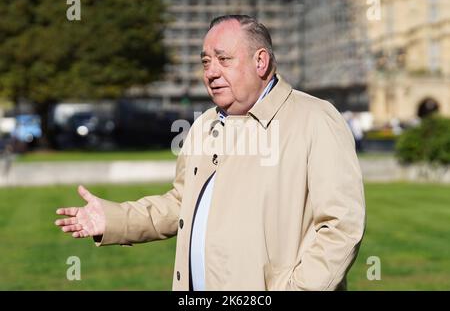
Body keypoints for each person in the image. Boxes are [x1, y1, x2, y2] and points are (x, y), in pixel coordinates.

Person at [55, 15, 365, 291]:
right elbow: (181, 202)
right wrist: (113, 219)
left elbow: (340, 225)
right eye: (206, 62)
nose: (211, 72)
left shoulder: (315, 118)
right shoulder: (203, 125)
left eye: (223, 59)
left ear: (261, 62)